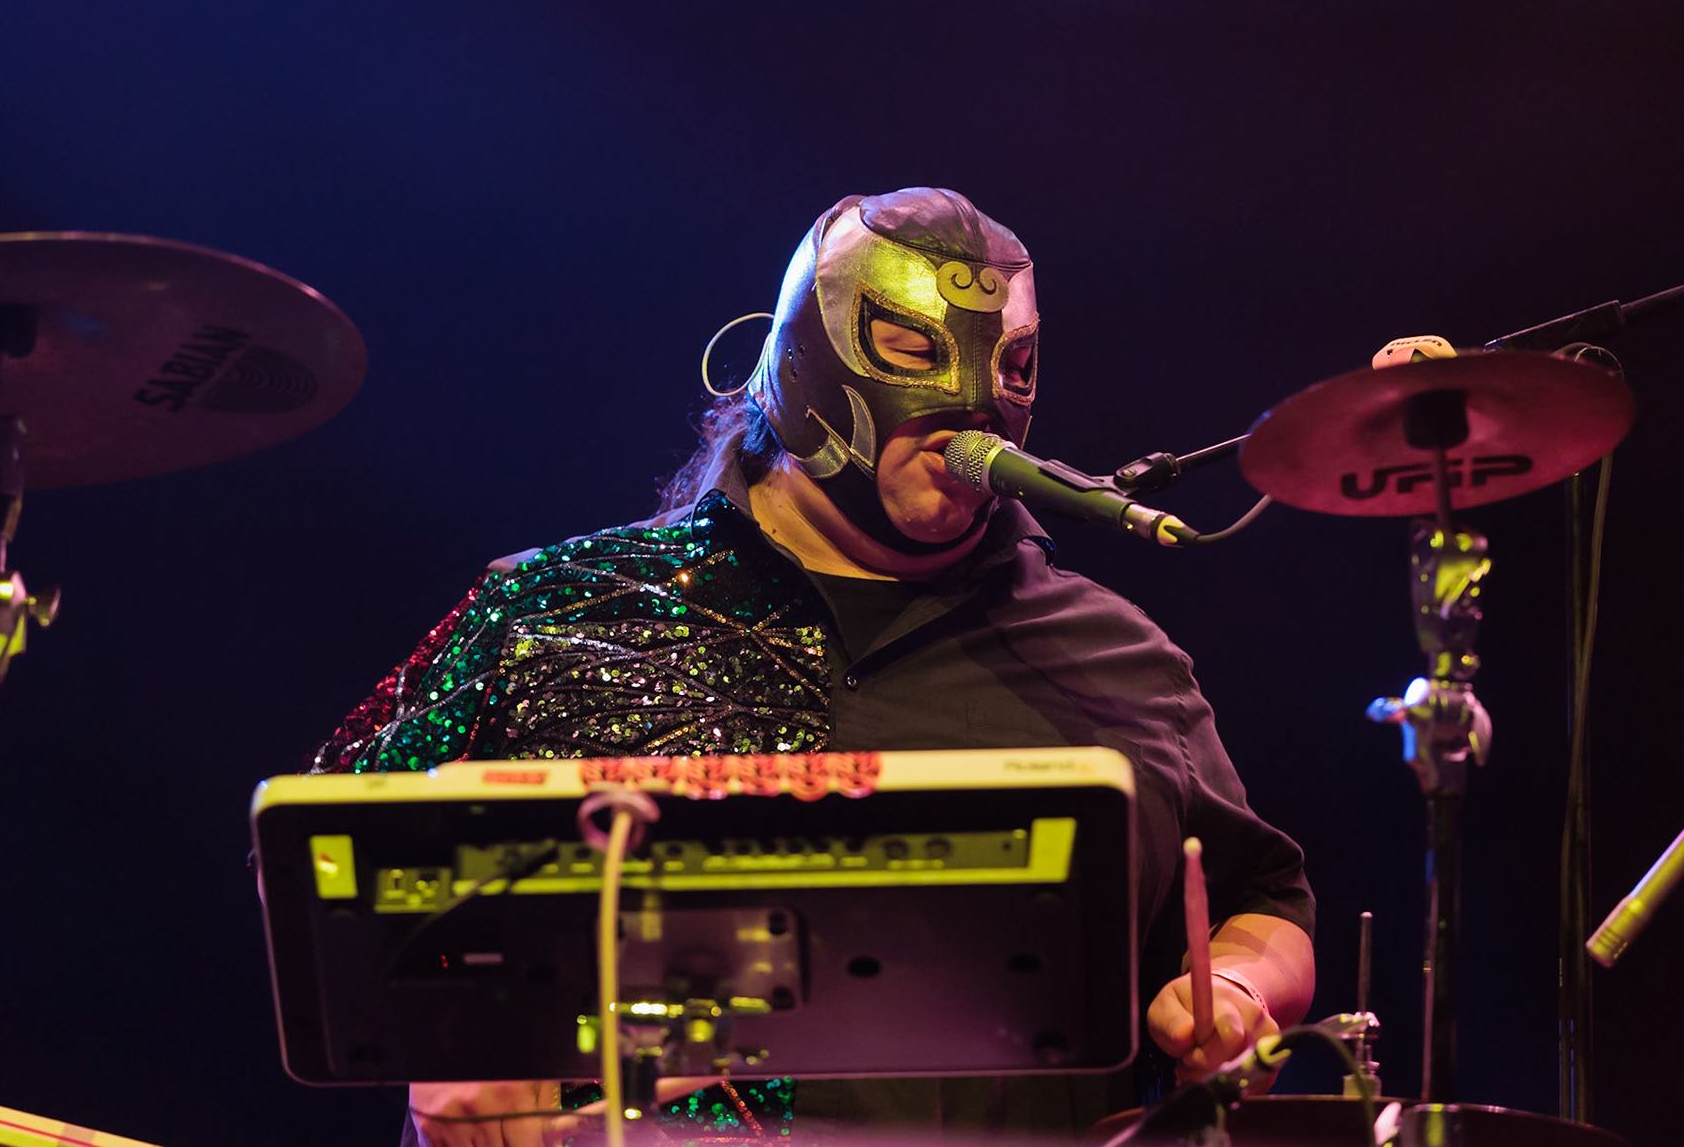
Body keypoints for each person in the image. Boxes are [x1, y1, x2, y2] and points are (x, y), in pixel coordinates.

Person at [312, 187, 1315, 1144]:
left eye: (1011, 368)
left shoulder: (1117, 655)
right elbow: (324, 871)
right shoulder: (556, 608)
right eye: (912, 351)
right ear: (805, 367)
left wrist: (1237, 989)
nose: (973, 409)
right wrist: (454, 1026)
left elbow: (1262, 900)